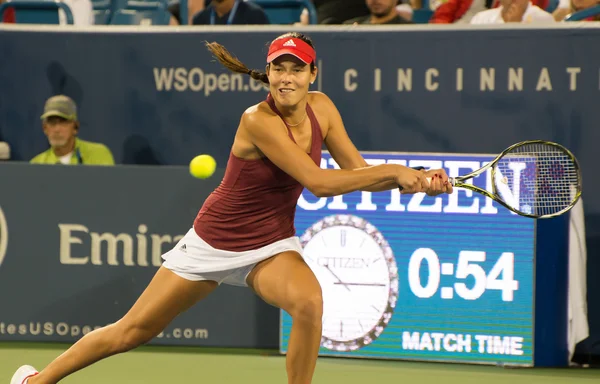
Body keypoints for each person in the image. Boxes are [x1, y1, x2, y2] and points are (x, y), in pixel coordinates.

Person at [11, 32, 452, 384]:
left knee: (309, 301)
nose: (285, 78)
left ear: (312, 74)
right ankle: (38, 381)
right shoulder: (256, 121)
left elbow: (358, 172)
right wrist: (396, 171)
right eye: (278, 68)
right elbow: (318, 183)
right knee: (132, 331)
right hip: (215, 242)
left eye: (296, 69)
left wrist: (417, 182)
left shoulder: (324, 110)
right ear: (268, 74)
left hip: (272, 243)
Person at [30, 95, 115, 166]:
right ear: (44, 128)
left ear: (75, 127)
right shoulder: (36, 164)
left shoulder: (99, 154)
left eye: (63, 122)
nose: (57, 129)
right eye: (52, 123)